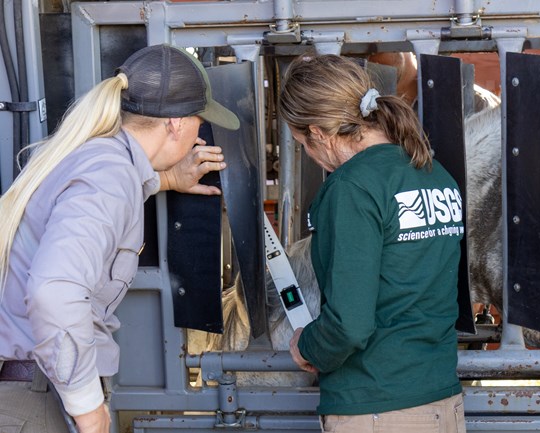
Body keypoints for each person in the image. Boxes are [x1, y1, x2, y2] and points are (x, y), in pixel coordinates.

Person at [0, 43, 239, 433]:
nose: (200, 129)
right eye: (199, 119)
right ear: (175, 124)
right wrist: (88, 406)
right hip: (36, 402)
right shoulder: (108, 176)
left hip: (32, 391)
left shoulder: (103, 161)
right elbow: (53, 292)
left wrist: (167, 180)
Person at [281, 54, 466, 433]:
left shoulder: (351, 187)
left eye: (302, 143)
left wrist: (308, 345)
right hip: (443, 401)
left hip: (375, 408)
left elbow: (349, 325)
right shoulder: (434, 174)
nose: (309, 153)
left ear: (318, 132)